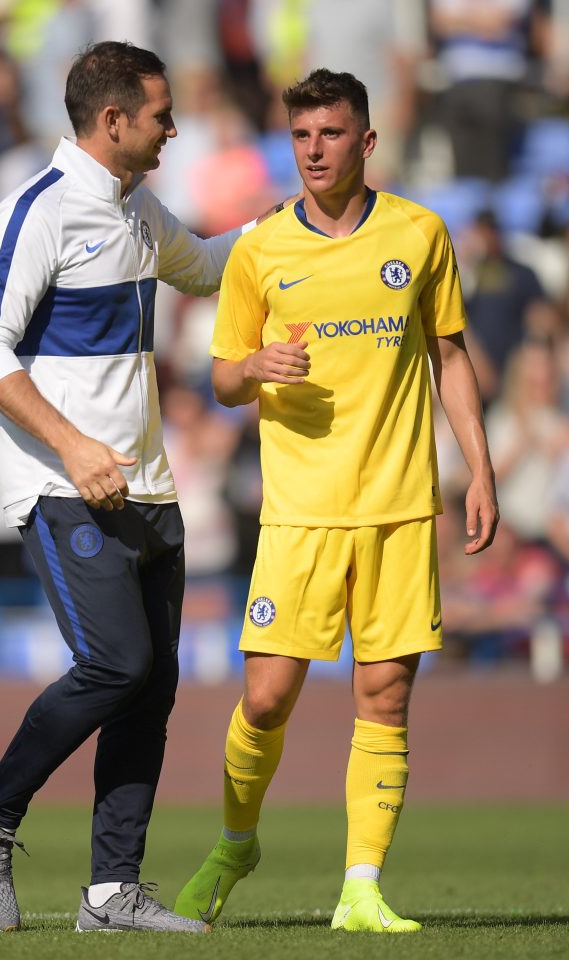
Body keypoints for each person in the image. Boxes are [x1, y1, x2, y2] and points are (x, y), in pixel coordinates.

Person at [0, 40, 290, 935]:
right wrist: (74, 446)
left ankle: (111, 891)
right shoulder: (40, 210)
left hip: (150, 488)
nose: (174, 128)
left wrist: (299, 222)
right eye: (162, 115)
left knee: (151, 688)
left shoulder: (135, 207)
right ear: (113, 120)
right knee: (115, 664)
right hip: (62, 482)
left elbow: (208, 268)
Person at [173, 68, 499, 933]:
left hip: (398, 506)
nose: (314, 150)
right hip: (299, 514)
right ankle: (236, 840)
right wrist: (252, 370)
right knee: (267, 700)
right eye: (301, 136)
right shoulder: (258, 250)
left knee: (383, 696)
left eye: (330, 134)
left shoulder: (419, 234)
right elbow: (219, 379)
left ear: (365, 141)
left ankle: (361, 888)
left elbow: (451, 355)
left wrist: (480, 469)